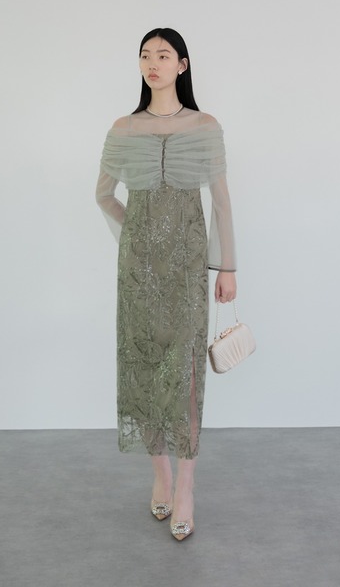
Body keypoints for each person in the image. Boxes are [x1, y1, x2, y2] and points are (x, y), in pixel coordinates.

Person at [95, 27, 237, 541]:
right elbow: (103, 195)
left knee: (185, 375)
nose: (151, 63)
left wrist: (227, 266)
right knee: (144, 370)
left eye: (162, 54)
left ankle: (186, 487)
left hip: (188, 270)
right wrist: (136, 233)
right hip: (138, 271)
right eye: (144, 55)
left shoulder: (205, 126)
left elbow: (220, 201)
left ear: (182, 64)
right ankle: (160, 477)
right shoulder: (123, 128)